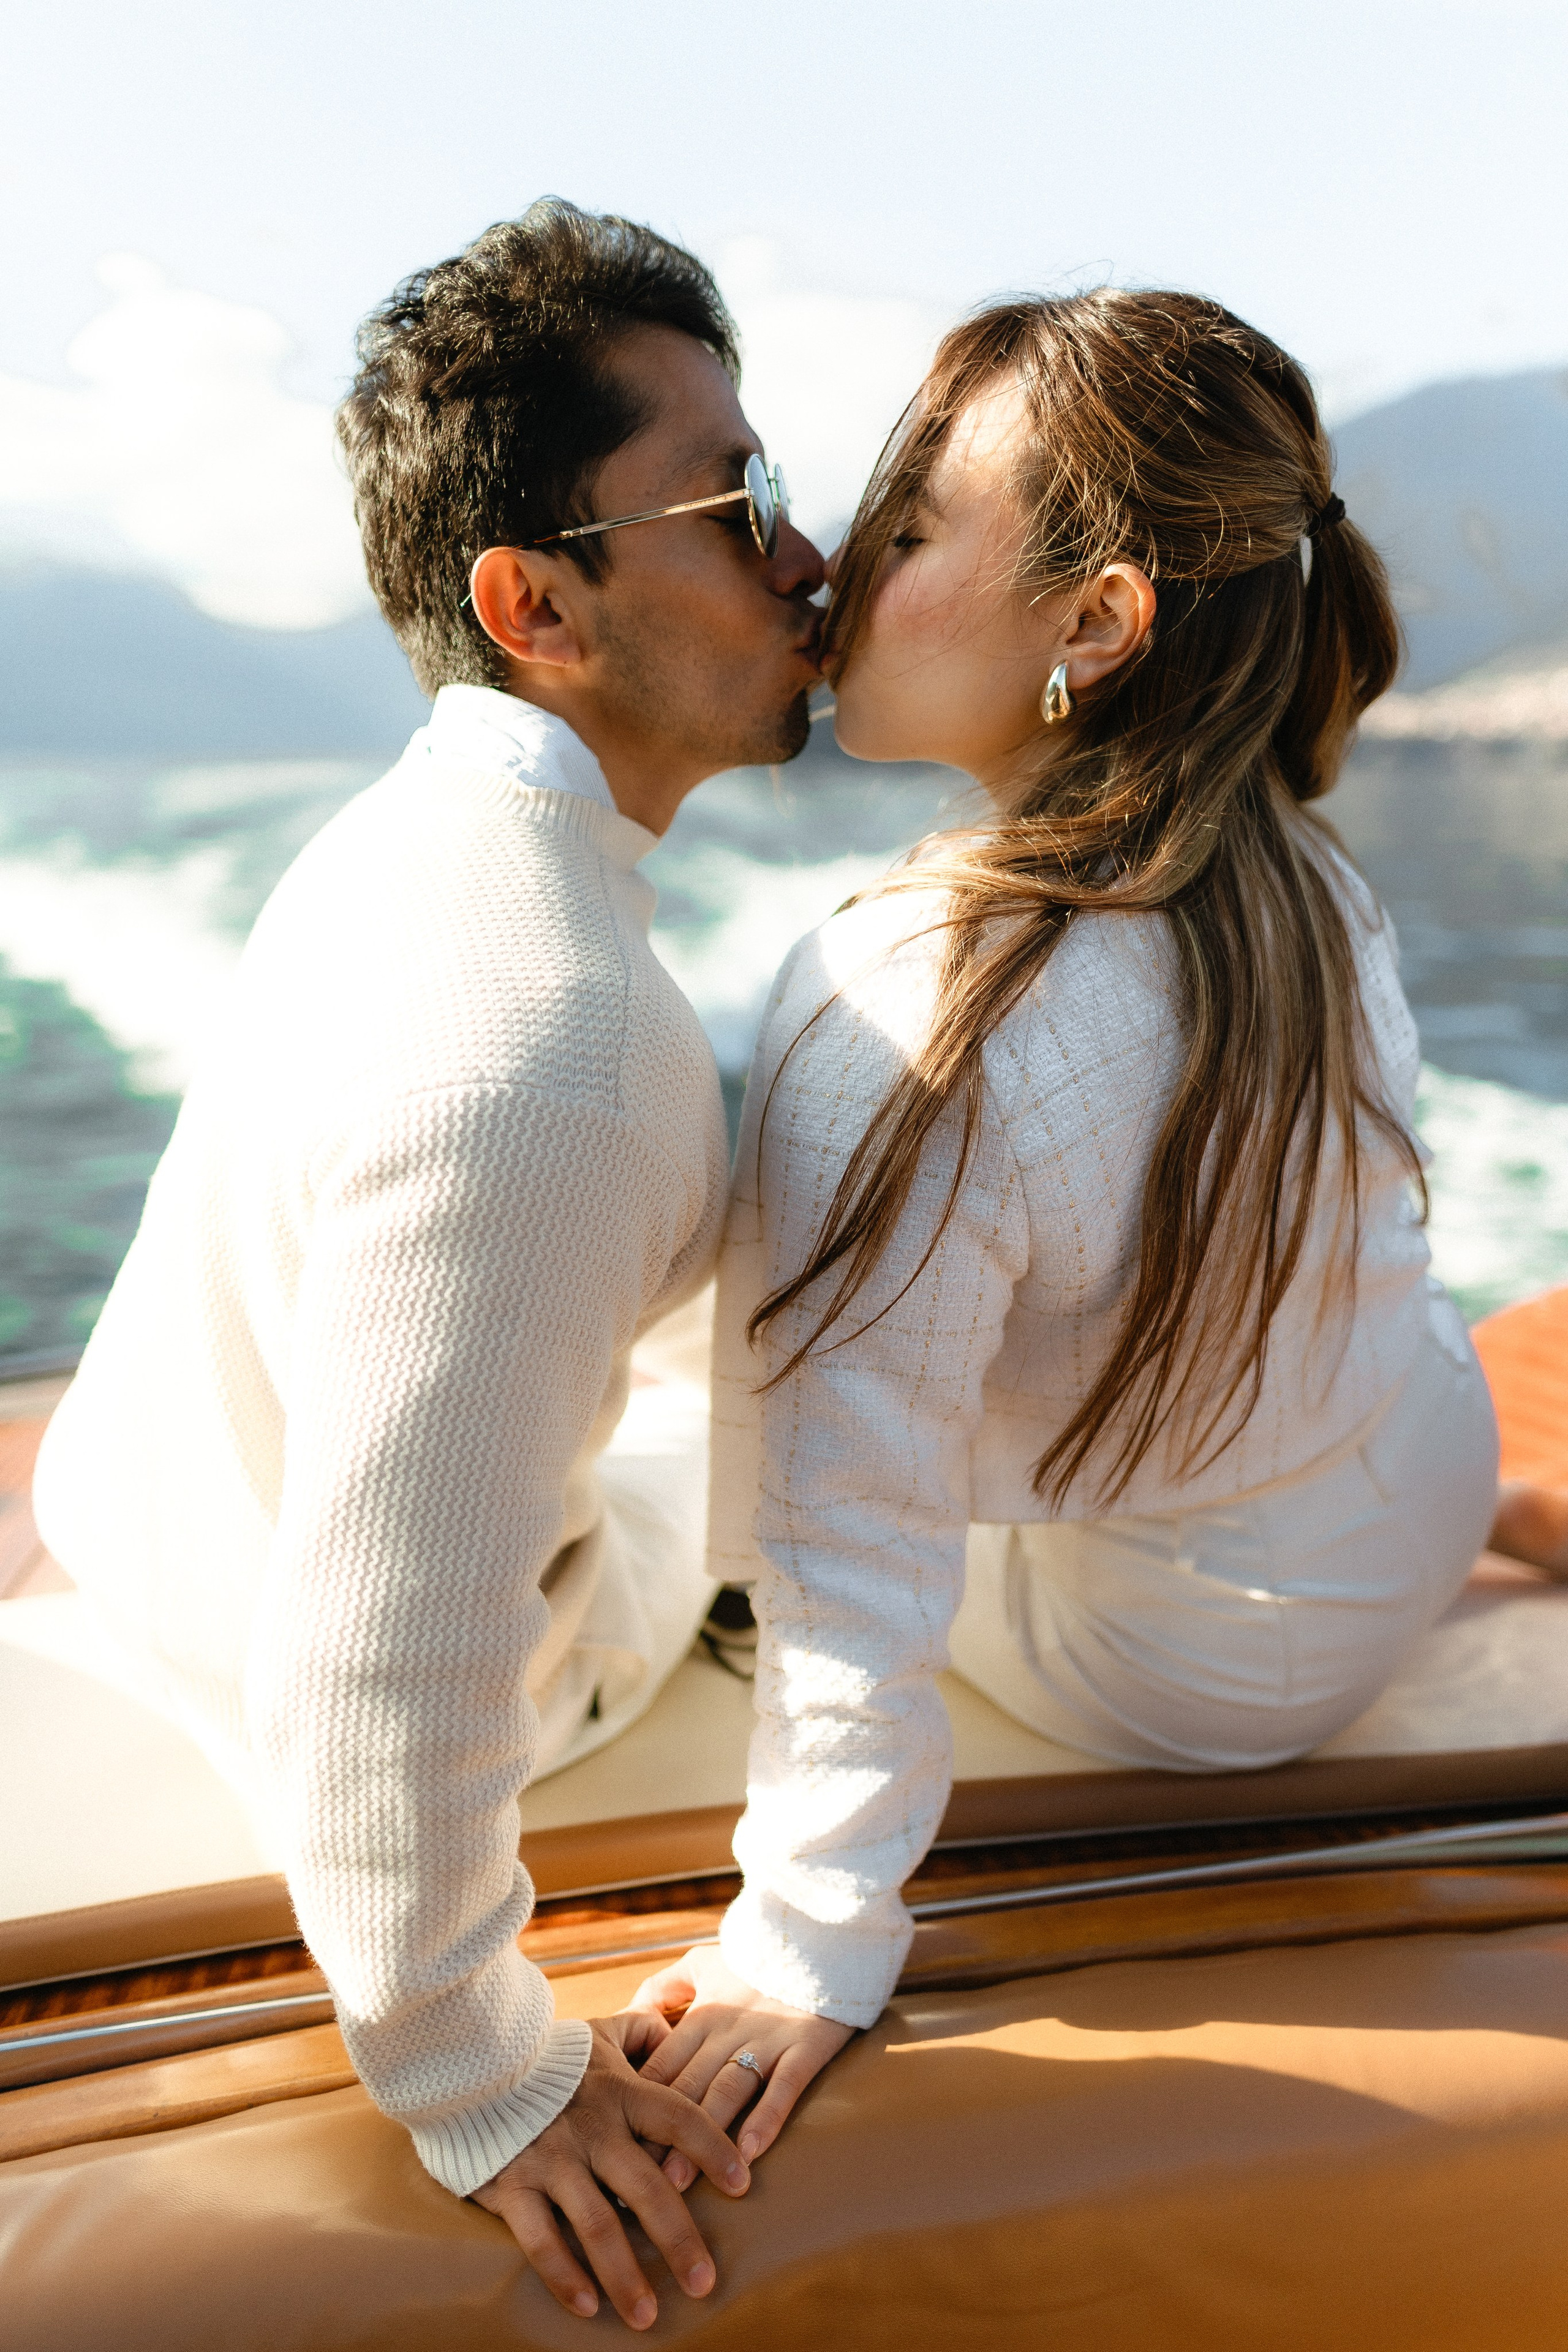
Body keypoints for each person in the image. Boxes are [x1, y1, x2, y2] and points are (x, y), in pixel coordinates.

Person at [33, 199, 825, 2332]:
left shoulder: (415, 836)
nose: (812, 564)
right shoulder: (560, 1050)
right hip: (322, 1661)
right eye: (743, 508)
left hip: (145, 1530)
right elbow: (386, 1661)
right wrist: (482, 2075)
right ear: (536, 602)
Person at [628, 289, 1499, 2158]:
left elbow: (844, 1531)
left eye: (919, 521)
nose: (847, 562)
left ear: (1099, 625)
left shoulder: (908, 1006)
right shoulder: (1290, 868)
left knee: (647, 1424)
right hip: (1418, 1492)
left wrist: (809, 1931)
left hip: (1191, 1676)